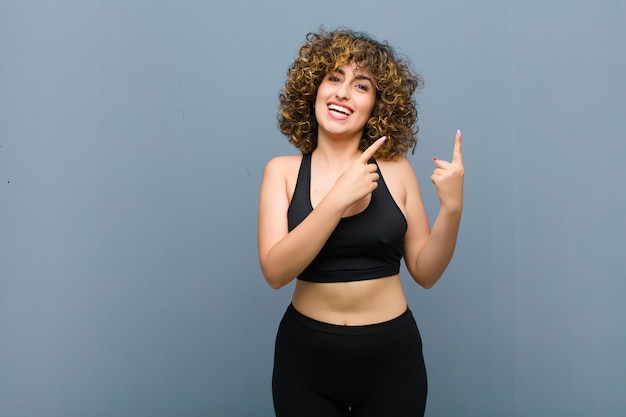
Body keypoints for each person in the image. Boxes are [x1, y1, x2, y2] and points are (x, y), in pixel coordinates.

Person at [257, 28, 464, 417]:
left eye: (361, 86)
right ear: (313, 89)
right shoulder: (281, 172)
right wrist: (336, 200)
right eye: (333, 78)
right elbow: (275, 272)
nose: (342, 93)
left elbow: (426, 272)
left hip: (392, 358)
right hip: (305, 358)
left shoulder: (397, 171)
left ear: (376, 105)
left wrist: (452, 210)